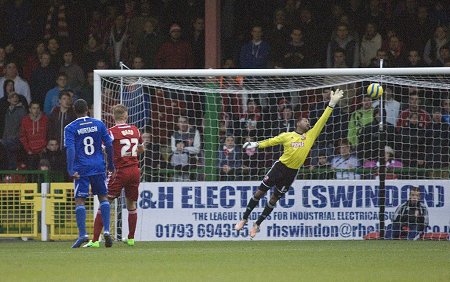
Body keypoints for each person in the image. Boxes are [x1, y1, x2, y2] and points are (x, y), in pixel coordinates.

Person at [234, 89, 344, 238]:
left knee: (274, 199)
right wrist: (255, 144)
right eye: (306, 121)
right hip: (279, 167)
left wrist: (331, 103)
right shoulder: (287, 136)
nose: (308, 123)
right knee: (260, 192)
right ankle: (244, 218)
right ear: (298, 123)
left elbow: (322, 120)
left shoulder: (310, 136)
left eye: (309, 122)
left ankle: (257, 224)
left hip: (291, 173)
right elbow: (271, 141)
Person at [84, 104, 144, 248]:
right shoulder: (135, 130)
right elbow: (141, 149)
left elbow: (103, 149)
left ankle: (95, 240)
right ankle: (130, 238)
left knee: (105, 201)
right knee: (131, 204)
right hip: (134, 170)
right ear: (126, 115)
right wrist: (131, 155)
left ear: (113, 116)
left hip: (119, 171)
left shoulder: (110, 132)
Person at [64, 99, 115, 248]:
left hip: (82, 168)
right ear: (88, 109)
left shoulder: (70, 127)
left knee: (80, 200)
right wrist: (111, 164)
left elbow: (71, 149)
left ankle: (83, 235)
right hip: (99, 166)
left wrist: (70, 169)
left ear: (74, 110)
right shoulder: (98, 124)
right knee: (103, 197)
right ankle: (106, 230)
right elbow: (110, 144)